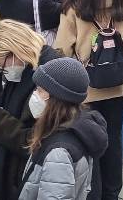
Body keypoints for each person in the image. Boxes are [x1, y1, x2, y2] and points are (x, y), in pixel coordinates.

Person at [51, 0, 123, 200]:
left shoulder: (75, 1)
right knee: (113, 138)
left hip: (86, 84)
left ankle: (92, 189)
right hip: (116, 84)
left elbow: (62, 47)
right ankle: (112, 191)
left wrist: (80, 63)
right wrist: (118, 57)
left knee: (87, 139)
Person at [0, 20, 60, 200]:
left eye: (0, 66)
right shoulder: (27, 67)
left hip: (22, 175)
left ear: (15, 52)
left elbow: (34, 139)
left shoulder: (48, 75)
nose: (2, 72)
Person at [19, 57, 109, 200]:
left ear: (56, 98)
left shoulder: (59, 152)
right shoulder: (79, 127)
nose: (35, 95)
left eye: (40, 90)